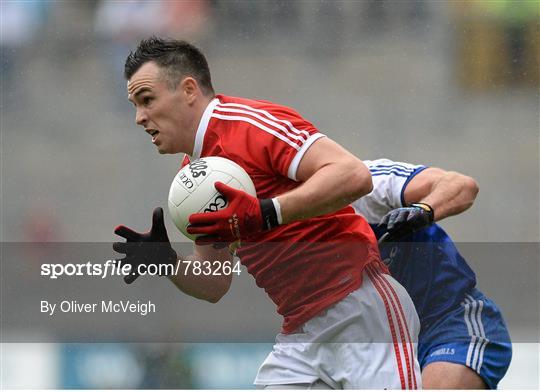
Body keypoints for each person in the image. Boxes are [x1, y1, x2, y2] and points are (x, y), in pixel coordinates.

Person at [113, 37, 421, 389]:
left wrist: (266, 212)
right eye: (135, 105)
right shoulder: (195, 176)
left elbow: (353, 175)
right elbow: (215, 282)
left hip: (360, 311)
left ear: (187, 89)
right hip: (301, 333)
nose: (139, 118)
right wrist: (167, 261)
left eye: (147, 100)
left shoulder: (249, 124)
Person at [352, 158, 512, 389]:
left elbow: (462, 186)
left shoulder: (370, 182)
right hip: (374, 348)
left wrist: (423, 210)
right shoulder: (289, 221)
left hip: (447, 324)